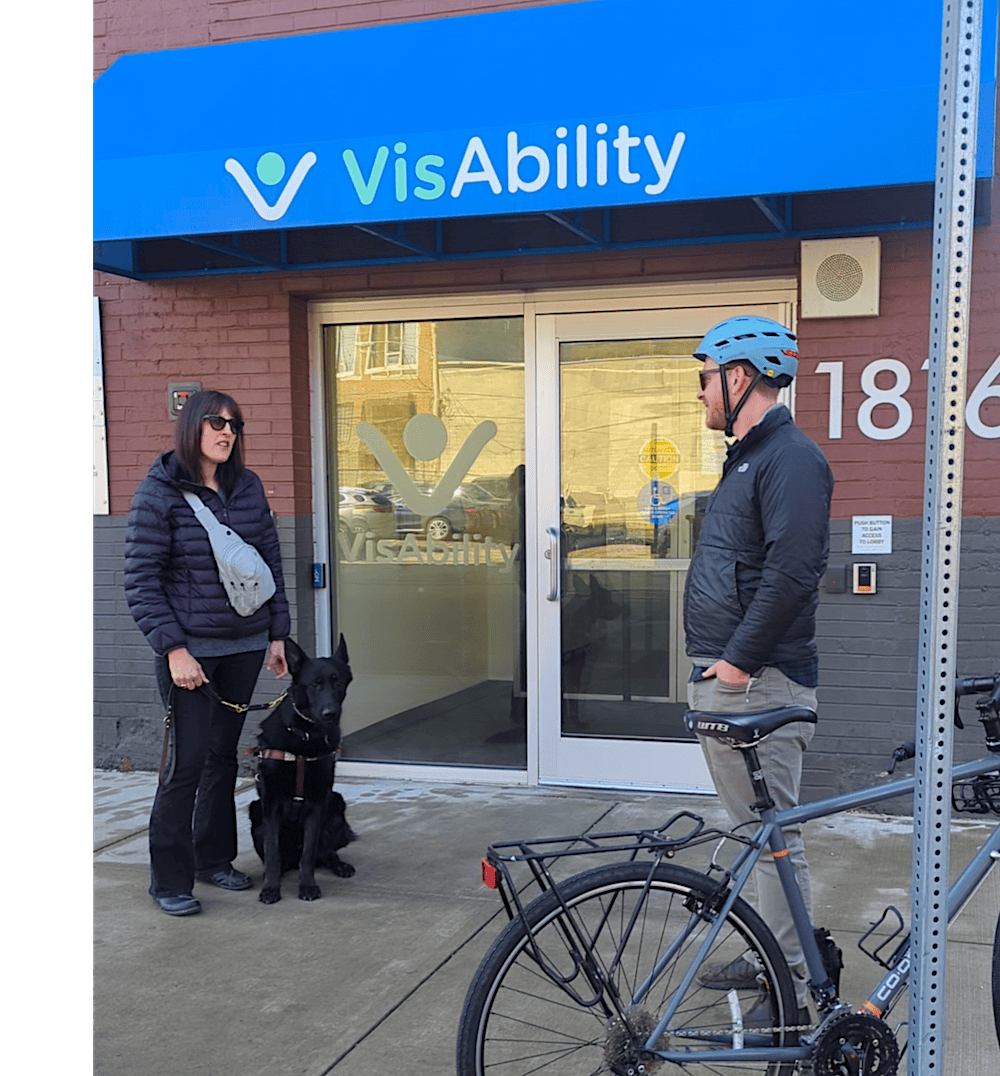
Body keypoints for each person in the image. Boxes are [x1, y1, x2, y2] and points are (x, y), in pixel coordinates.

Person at [682, 315, 834, 1025]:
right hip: (740, 681)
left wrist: (738, 662)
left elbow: (794, 570)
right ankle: (770, 947)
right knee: (753, 831)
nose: (702, 393)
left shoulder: (790, 458)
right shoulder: (749, 456)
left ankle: (801, 982)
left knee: (774, 836)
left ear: (739, 376)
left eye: (706, 379)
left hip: (762, 683)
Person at [125, 390, 290, 916]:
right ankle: (169, 881)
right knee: (185, 764)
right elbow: (141, 580)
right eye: (217, 422)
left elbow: (270, 563)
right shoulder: (160, 492)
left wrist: (278, 635)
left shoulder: (247, 487)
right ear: (192, 425)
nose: (227, 432)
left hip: (243, 647)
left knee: (222, 758)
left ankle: (213, 859)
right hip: (191, 656)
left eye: (235, 425)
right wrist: (173, 649)